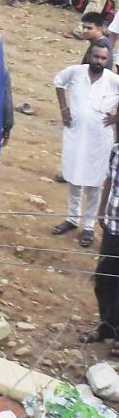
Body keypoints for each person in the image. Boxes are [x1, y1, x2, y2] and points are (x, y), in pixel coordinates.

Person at [53, 42, 119, 248]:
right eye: (96, 57)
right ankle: (72, 219)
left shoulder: (112, 80)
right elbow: (58, 81)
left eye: (103, 59)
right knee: (73, 177)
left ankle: (88, 226)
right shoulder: (75, 72)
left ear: (107, 60)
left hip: (100, 139)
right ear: (89, 55)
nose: (99, 61)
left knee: (94, 183)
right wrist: (63, 107)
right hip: (75, 134)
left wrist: (116, 118)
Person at [87, 137, 119, 352]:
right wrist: (101, 210)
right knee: (104, 279)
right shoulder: (116, 151)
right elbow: (109, 180)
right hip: (113, 227)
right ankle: (107, 326)